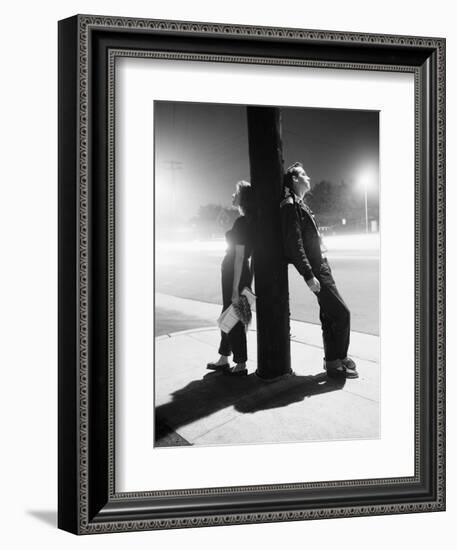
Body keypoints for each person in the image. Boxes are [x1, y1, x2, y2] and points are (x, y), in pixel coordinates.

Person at [280, 162, 358, 378]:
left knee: (329, 316)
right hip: (316, 269)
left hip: (321, 265)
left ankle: (332, 363)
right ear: (294, 179)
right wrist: (308, 275)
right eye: (303, 174)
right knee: (342, 314)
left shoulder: (300, 204)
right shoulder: (290, 205)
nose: (308, 177)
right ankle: (341, 357)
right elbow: (294, 245)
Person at [207, 181, 255, 376]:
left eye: (235, 193)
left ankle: (241, 362)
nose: (232, 196)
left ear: (243, 197)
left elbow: (240, 256)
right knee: (228, 315)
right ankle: (224, 357)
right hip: (237, 273)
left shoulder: (243, 223)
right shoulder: (247, 220)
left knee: (233, 317)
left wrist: (236, 289)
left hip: (235, 274)